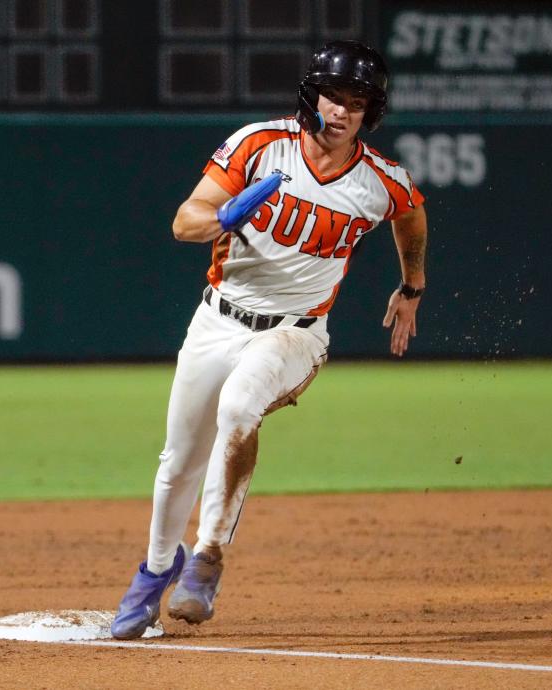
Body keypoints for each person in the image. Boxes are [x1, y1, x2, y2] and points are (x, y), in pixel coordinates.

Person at [111, 40, 428, 639]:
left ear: (371, 113)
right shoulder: (260, 145)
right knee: (178, 462)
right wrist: (228, 218)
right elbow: (185, 222)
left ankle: (206, 556)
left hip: (295, 334)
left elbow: (410, 212)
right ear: (313, 96)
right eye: (334, 97)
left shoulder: (380, 181)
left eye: (356, 103)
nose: (341, 111)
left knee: (239, 407)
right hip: (217, 321)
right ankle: (155, 572)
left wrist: (412, 285)